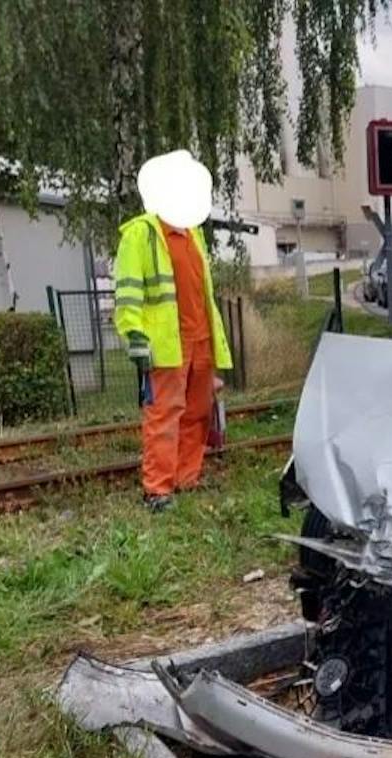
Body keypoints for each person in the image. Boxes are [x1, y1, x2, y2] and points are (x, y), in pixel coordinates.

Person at [114, 151, 233, 511]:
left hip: (200, 342)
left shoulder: (194, 233)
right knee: (164, 416)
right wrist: (134, 335)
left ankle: (186, 478)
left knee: (197, 413)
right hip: (167, 345)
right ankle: (158, 490)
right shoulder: (141, 235)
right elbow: (128, 291)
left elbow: (202, 293)